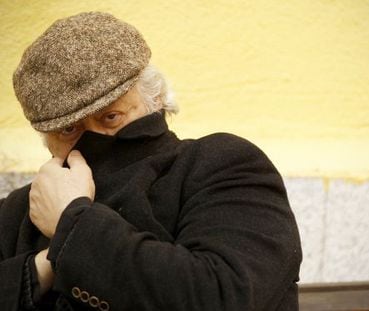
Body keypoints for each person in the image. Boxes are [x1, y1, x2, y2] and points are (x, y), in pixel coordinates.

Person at [0, 11, 302, 311]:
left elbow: (224, 296)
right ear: (47, 138)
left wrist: (72, 225)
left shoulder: (222, 165)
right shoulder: (24, 208)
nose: (96, 140)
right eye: (69, 128)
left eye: (111, 116)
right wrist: (39, 268)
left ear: (154, 100)